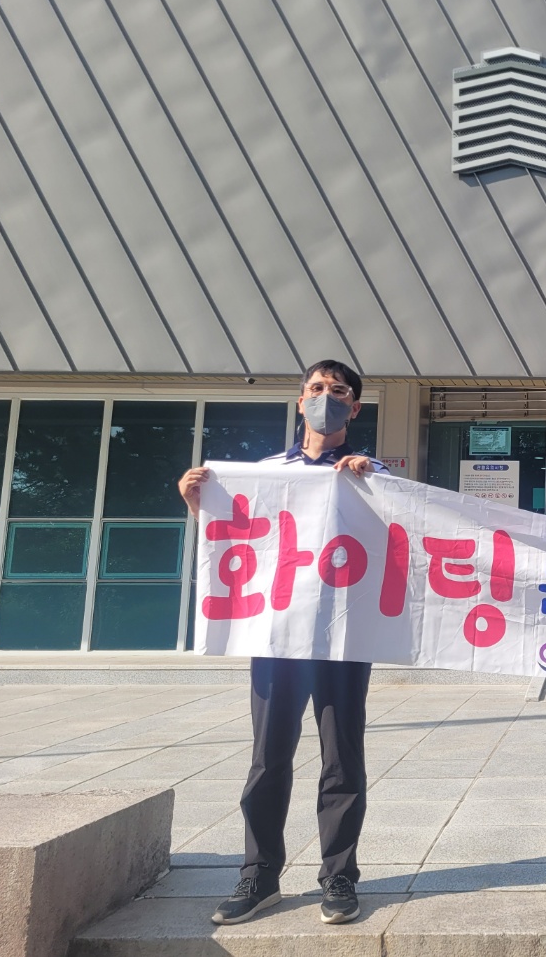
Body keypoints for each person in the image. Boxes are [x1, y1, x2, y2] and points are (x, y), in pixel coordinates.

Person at [178, 360, 388, 927]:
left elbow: (400, 541)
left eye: (338, 391)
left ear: (355, 408)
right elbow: (237, 542)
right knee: (269, 757)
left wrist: (371, 483)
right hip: (276, 637)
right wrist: (200, 506)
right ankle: (259, 874)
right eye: (316, 389)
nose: (326, 398)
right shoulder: (265, 474)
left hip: (344, 637)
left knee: (342, 758)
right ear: (300, 401)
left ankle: (339, 875)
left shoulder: (372, 473)